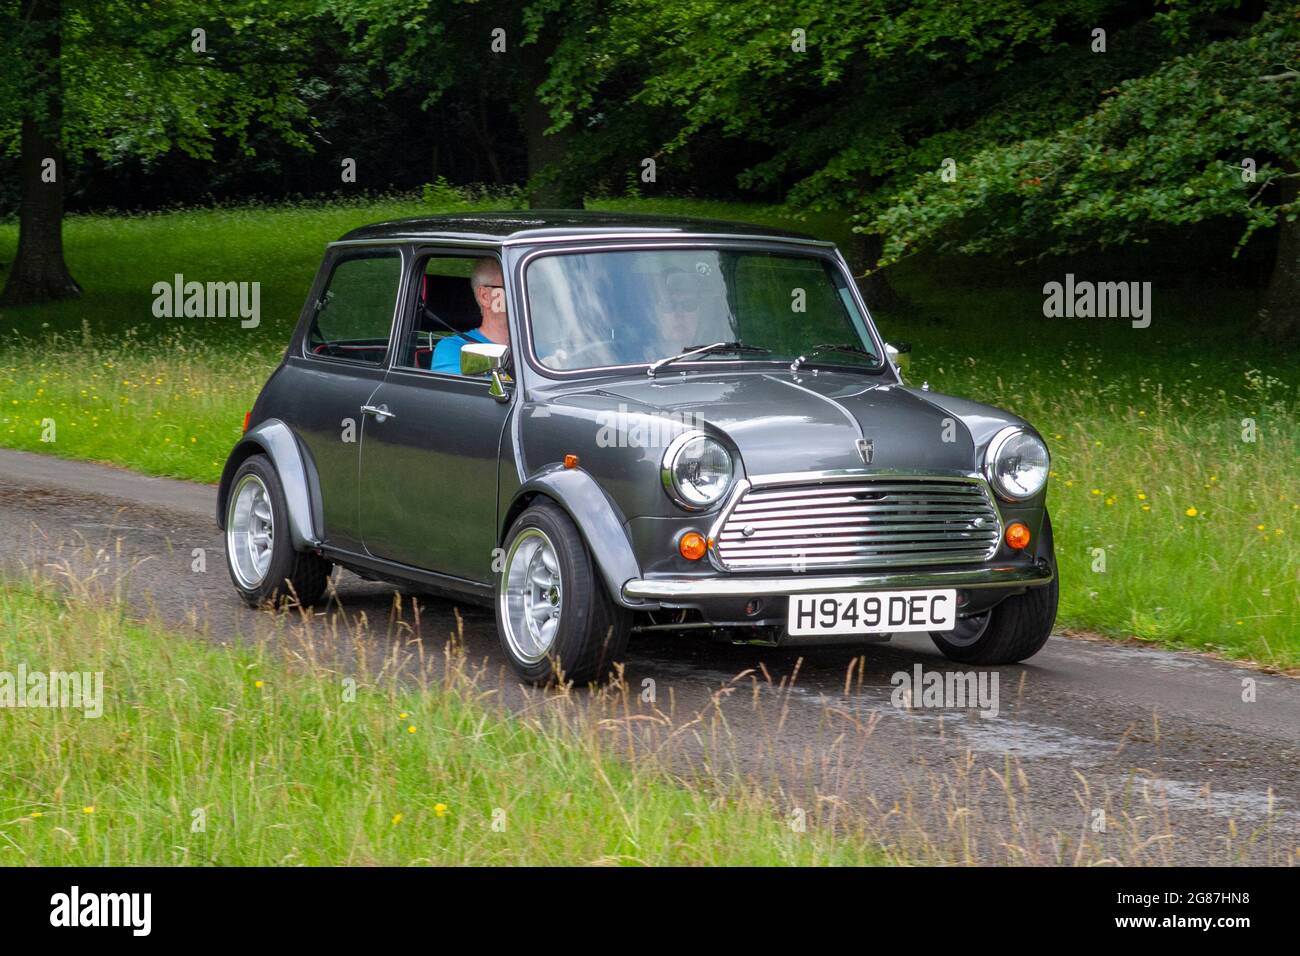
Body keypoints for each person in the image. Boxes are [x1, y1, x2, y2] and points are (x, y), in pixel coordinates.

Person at [430, 258, 509, 374]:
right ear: (485, 297)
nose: (527, 294)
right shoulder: (454, 349)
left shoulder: (539, 346)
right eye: (513, 287)